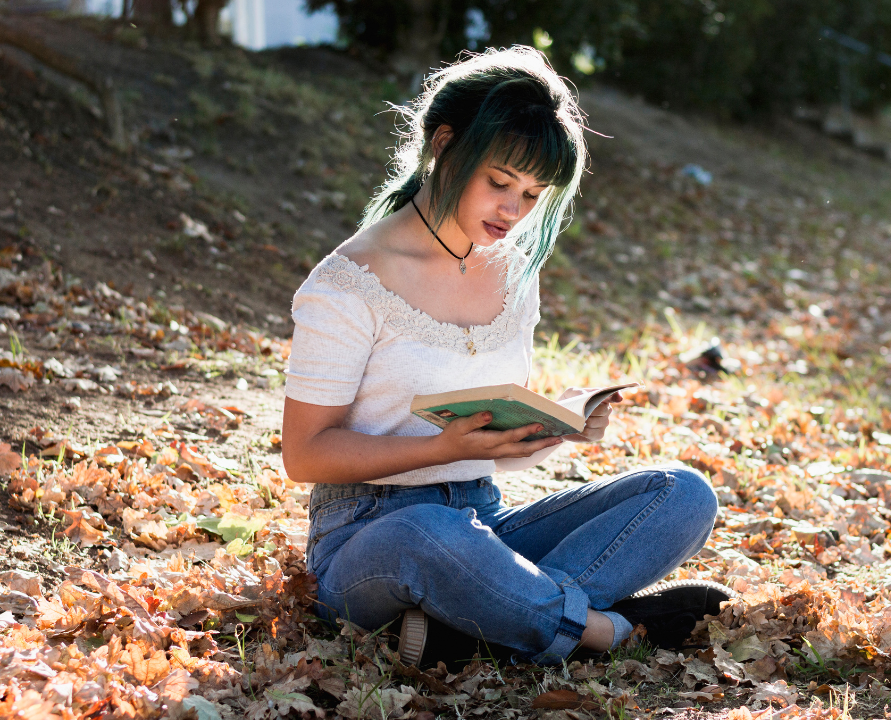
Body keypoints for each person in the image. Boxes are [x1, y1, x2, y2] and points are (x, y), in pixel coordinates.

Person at [280, 45, 729, 668]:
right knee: (429, 535)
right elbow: (304, 455)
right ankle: (606, 632)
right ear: (444, 144)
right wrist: (442, 450)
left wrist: (555, 427)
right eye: (499, 183)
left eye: (532, 193)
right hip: (369, 540)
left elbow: (491, 439)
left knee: (682, 493)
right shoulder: (349, 282)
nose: (514, 212)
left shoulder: (513, 273)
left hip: (483, 526)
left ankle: (478, 625)